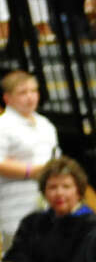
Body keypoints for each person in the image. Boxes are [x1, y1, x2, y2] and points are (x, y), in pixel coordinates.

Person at [0, 157, 96, 262]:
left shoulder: (93, 226)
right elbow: (19, 259)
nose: (59, 193)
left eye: (66, 186)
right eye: (52, 187)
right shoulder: (32, 222)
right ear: (44, 192)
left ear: (78, 191)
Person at [0, 71, 59, 246]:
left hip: (48, 201)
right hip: (15, 205)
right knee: (19, 254)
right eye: (23, 92)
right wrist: (32, 171)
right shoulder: (3, 125)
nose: (30, 97)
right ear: (7, 98)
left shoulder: (45, 124)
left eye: (34, 91)